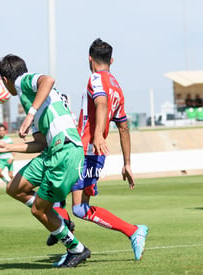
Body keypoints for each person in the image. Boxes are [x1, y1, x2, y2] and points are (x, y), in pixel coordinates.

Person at [48, 39, 148, 263]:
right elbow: (123, 127)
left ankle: (132, 231)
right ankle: (67, 232)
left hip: (86, 150)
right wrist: (127, 163)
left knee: (64, 198)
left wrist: (96, 136)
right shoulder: (118, 88)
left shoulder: (96, 78)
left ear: (90, 59)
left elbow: (101, 104)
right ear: (111, 60)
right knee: (74, 204)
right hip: (94, 153)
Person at [0, 54, 90, 268]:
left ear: (5, 80)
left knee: (38, 210)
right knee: (14, 188)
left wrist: (30, 115)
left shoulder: (23, 81)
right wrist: (8, 147)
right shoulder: (29, 99)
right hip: (51, 151)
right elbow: (40, 143)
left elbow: (48, 79)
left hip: (65, 151)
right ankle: (59, 219)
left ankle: (76, 249)